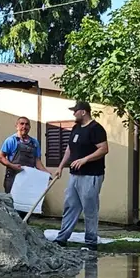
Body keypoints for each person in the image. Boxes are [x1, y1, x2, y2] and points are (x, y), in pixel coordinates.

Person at [53, 101, 109, 252]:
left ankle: (91, 242)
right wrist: (60, 167)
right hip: (74, 175)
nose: (73, 113)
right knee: (70, 206)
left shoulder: (96, 129)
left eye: (75, 111)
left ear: (83, 112)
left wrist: (85, 159)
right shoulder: (76, 128)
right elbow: (69, 149)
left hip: (91, 175)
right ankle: (61, 239)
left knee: (90, 209)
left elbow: (104, 149)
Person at [0, 116, 51, 195]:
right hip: (13, 179)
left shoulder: (34, 142)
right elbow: (0, 157)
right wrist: (12, 165)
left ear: (29, 127)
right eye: (21, 124)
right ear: (17, 126)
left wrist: (46, 173)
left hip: (28, 179)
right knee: (12, 203)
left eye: (27, 124)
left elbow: (37, 161)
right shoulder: (11, 140)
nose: (24, 126)